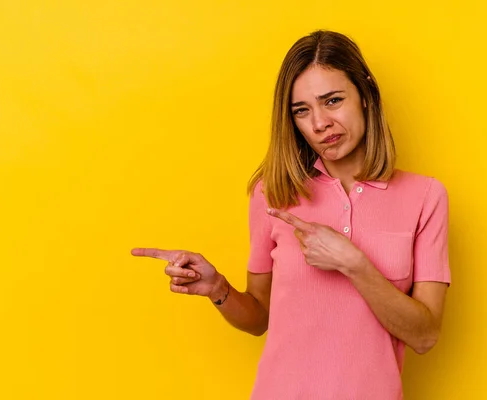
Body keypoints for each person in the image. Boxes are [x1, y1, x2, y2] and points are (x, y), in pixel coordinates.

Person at [131, 30, 451, 400]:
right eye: (302, 110)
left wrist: (353, 263)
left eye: (332, 101)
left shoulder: (425, 197)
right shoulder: (274, 192)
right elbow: (258, 318)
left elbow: (425, 336)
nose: (319, 123)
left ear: (365, 95)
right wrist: (218, 289)